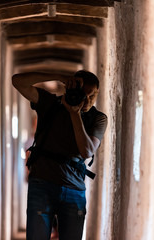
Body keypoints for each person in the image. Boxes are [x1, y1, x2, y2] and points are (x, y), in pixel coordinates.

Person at [12, 70, 107, 240]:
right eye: (80, 93)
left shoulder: (98, 119)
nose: (85, 99)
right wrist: (58, 76)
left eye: (91, 95)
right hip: (42, 184)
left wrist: (75, 114)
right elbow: (18, 82)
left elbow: (86, 151)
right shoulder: (50, 103)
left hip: (74, 190)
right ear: (69, 89)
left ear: (97, 93)